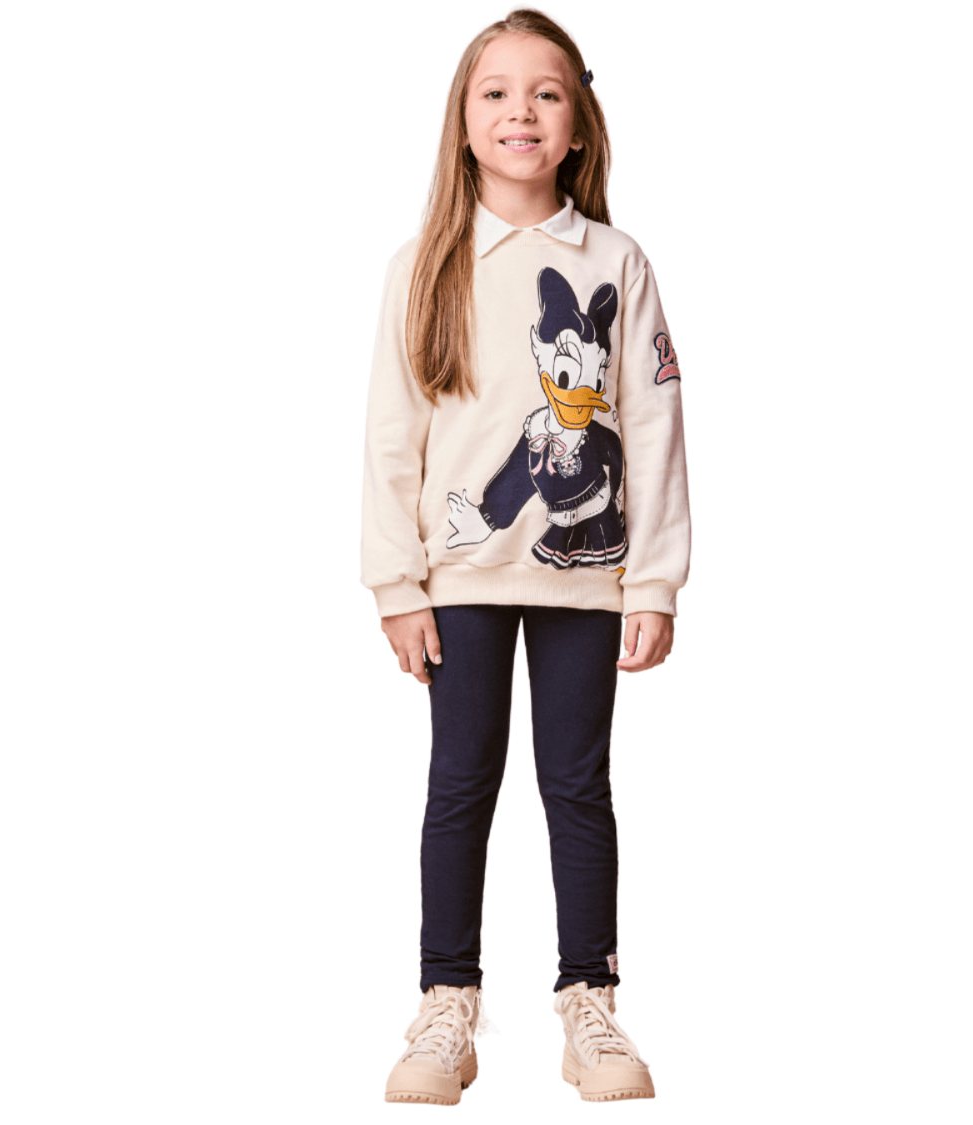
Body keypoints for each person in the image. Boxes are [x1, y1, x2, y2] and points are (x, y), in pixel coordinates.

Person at [360, 8, 691, 1106]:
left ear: (579, 124)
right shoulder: (427, 266)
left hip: (587, 580)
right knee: (460, 781)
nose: (521, 113)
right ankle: (446, 1001)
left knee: (577, 784)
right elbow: (392, 433)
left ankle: (589, 998)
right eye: (495, 93)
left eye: (546, 93)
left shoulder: (617, 263)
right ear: (462, 122)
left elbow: (654, 426)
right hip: (458, 580)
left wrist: (655, 579)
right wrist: (395, 582)